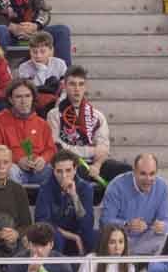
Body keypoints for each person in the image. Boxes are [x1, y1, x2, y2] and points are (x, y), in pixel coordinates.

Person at [47, 65, 132, 193]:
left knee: (127, 171)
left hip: (96, 164)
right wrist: (91, 151)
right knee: (77, 171)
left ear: (85, 87)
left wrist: (97, 166)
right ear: (64, 86)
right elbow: (58, 147)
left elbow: (103, 147)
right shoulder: (54, 115)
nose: (77, 89)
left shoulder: (97, 115)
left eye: (81, 84)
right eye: (72, 84)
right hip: (70, 164)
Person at [0, 80, 56, 186]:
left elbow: (51, 149)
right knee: (9, 170)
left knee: (60, 170)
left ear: (33, 98)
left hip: (39, 170)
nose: (24, 101)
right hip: (13, 167)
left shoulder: (42, 123)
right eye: (18, 97)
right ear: (10, 100)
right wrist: (17, 160)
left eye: (27, 96)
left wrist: (43, 159)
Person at [100, 152, 168, 255]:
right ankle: (133, 263)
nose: (148, 179)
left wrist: (162, 226)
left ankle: (138, 263)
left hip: (147, 239)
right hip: (122, 239)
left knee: (166, 238)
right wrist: (126, 225)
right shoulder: (116, 186)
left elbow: (167, 221)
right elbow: (105, 221)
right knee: (115, 239)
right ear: (134, 171)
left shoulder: (163, 186)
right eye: (143, 174)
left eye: (152, 174)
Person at [34, 150, 95, 255]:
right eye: (59, 171)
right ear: (53, 171)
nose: (64, 176)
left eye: (68, 170)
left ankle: (89, 270)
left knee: (93, 236)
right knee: (54, 237)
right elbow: (43, 222)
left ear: (75, 169)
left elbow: (87, 224)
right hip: (57, 233)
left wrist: (74, 196)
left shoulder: (85, 188)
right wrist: (74, 237)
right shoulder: (46, 188)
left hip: (78, 230)